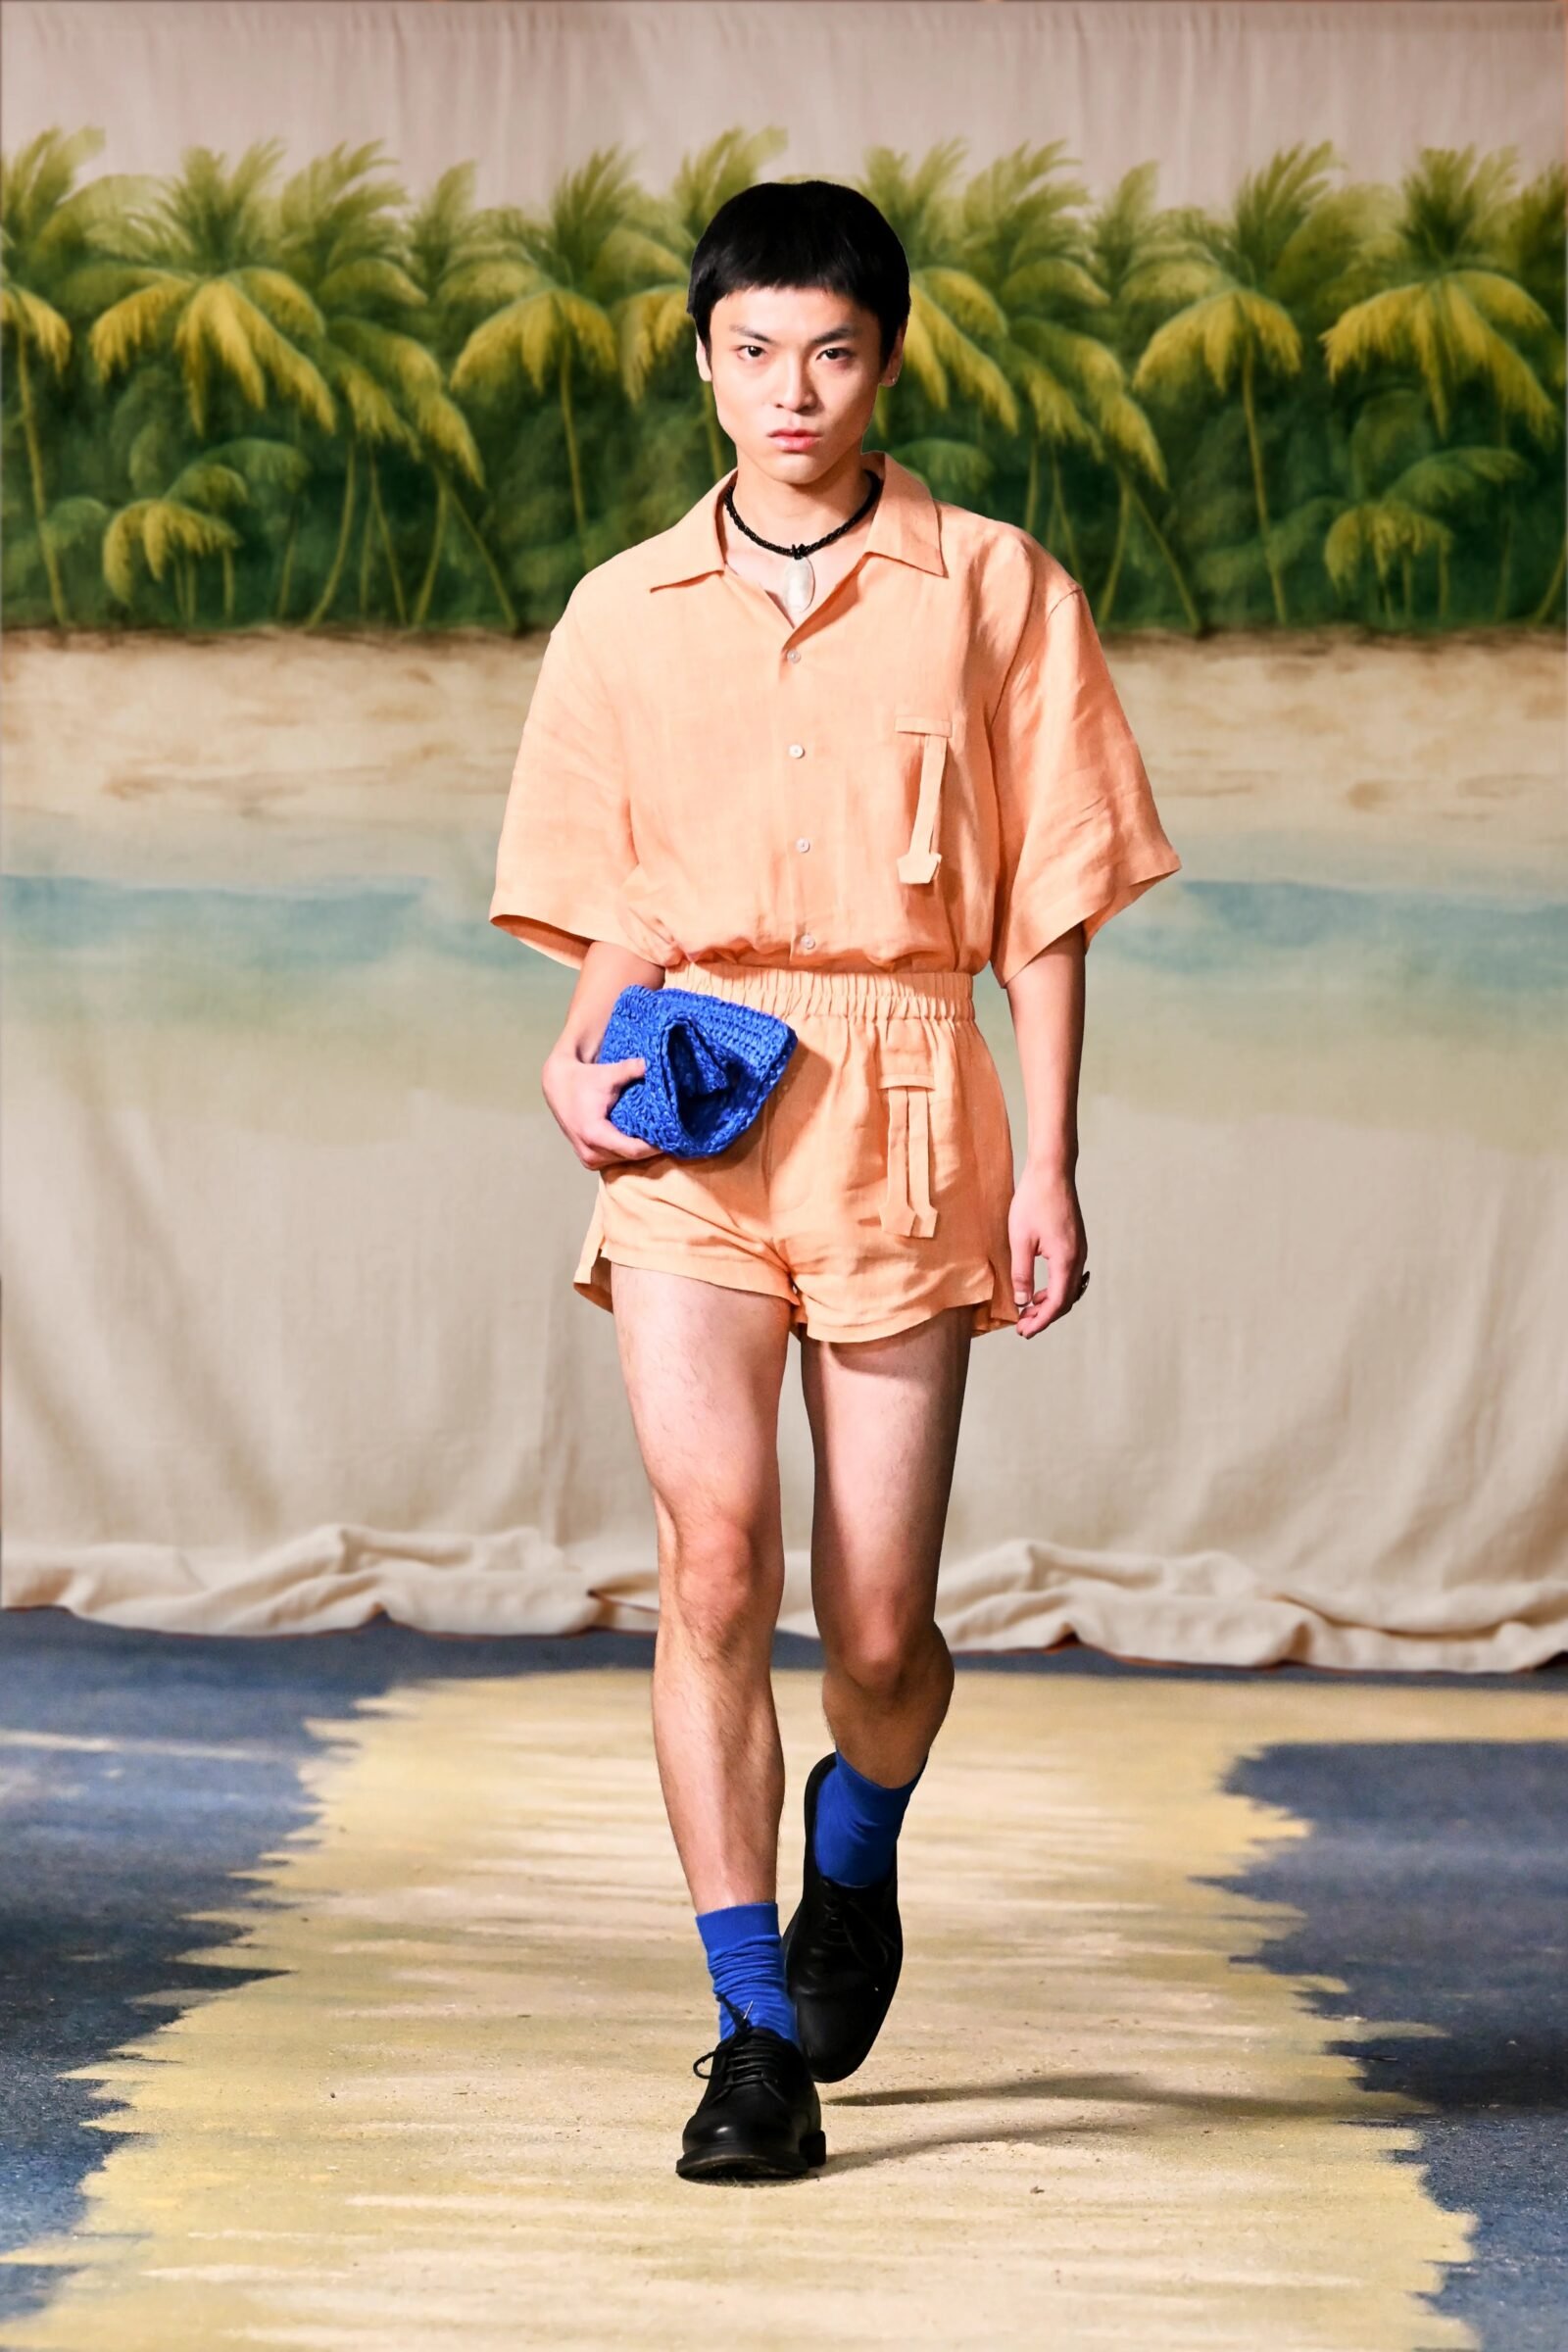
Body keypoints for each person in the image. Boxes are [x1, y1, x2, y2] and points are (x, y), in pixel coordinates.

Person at [489, 179, 1181, 2183]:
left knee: (877, 1630)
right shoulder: (623, 609)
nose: (789, 390)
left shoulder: (993, 587)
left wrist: (1050, 1161)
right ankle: (749, 2036)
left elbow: (1046, 906)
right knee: (710, 1560)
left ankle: (853, 1853)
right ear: (703, 365)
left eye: (831, 351)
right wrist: (567, 1061)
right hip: (691, 1095)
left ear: (883, 364)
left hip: (907, 1090)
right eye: (752, 352)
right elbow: (615, 901)